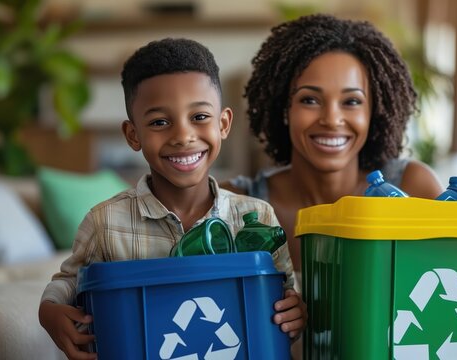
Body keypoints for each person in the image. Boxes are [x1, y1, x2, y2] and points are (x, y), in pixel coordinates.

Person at [38, 38, 305, 360]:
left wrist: (297, 312)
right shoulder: (106, 222)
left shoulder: (256, 216)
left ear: (223, 124)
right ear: (133, 135)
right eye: (159, 123)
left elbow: (286, 296)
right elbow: (68, 281)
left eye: (200, 117)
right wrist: (49, 312)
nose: (182, 136)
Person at [223, 14, 443, 284]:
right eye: (310, 99)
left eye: (351, 101)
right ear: (284, 108)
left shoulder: (416, 189)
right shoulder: (235, 205)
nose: (331, 119)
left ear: (373, 112)